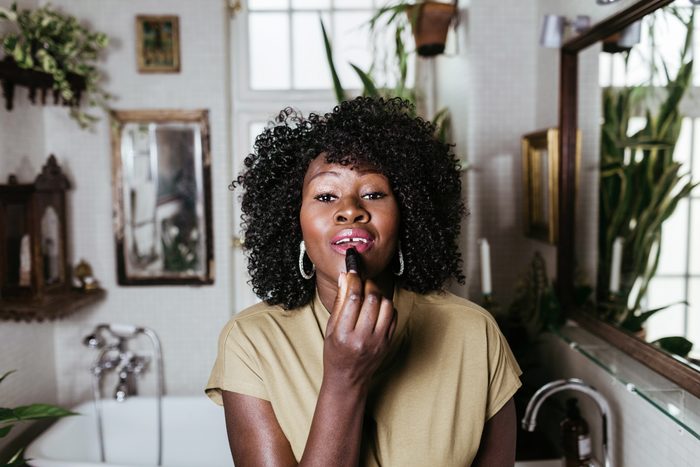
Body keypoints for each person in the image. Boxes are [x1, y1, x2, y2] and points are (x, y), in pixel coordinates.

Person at [206, 97, 522, 466]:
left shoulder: (474, 333)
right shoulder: (250, 342)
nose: (350, 209)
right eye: (325, 196)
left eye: (373, 194)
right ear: (295, 224)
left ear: (407, 214)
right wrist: (343, 379)